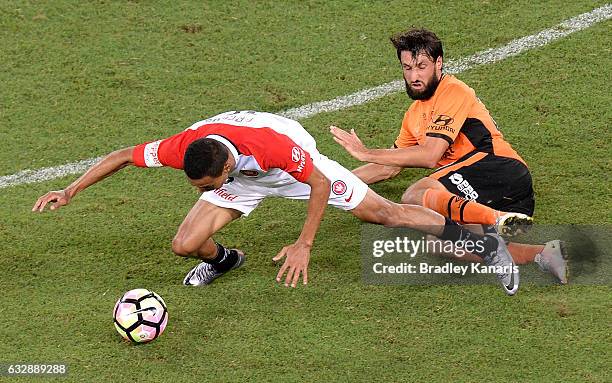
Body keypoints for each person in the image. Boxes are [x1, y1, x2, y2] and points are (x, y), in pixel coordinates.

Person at [33, 110, 523, 295]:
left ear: (223, 169)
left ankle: (486, 247)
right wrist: (71, 189)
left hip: (294, 168)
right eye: (199, 188)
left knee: (385, 214)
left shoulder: (270, 147)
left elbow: (315, 186)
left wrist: (304, 242)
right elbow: (122, 155)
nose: (204, 192)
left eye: (209, 187)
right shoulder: (188, 148)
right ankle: (226, 260)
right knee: (185, 243)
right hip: (248, 178)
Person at [330, 28, 567, 284]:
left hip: (500, 169)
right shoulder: (413, 115)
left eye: (421, 66)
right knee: (440, 243)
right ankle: (543, 253)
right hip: (489, 197)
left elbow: (431, 155)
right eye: (407, 68)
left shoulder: (453, 91)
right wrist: (333, 181)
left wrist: (364, 152)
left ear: (439, 63)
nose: (414, 76)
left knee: (415, 196)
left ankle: (497, 220)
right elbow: (387, 167)